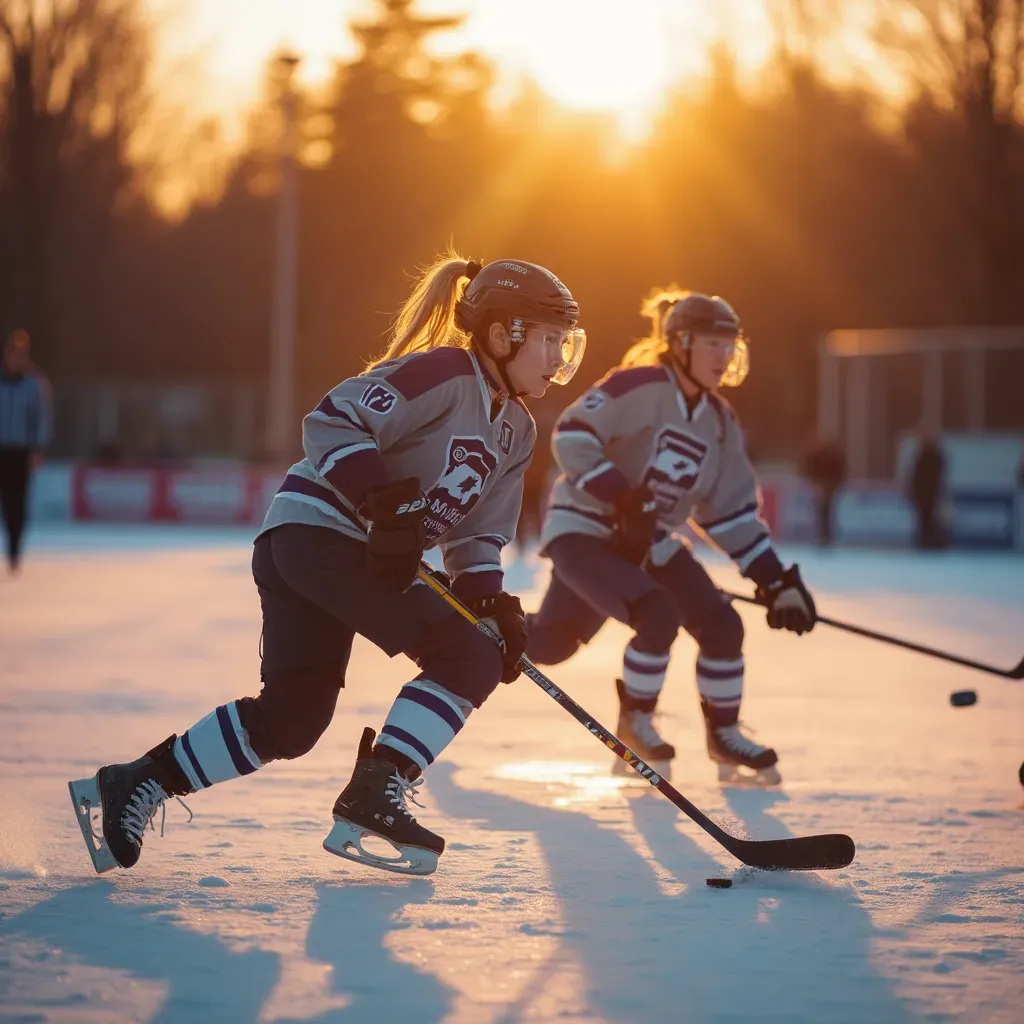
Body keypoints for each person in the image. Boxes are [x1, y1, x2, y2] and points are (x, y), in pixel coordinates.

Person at [70, 253, 586, 876]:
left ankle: (138, 781)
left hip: (327, 550)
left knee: (292, 721)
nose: (561, 357)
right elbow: (334, 418)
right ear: (503, 334)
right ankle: (378, 789)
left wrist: (491, 602)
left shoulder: (518, 432)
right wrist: (383, 503)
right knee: (466, 655)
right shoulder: (447, 372)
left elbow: (478, 534)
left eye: (567, 341)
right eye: (551, 340)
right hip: (321, 536)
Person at [526, 289, 816, 785]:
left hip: (649, 543)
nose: (724, 358)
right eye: (713, 345)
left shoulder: (720, 422)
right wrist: (623, 496)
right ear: (679, 344)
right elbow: (572, 435)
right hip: (587, 533)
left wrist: (776, 579)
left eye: (730, 347)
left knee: (723, 626)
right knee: (566, 640)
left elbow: (728, 514)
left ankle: (723, 736)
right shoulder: (638, 386)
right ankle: (634, 721)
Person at [0, 329, 52, 572]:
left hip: (21, 451)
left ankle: (15, 546)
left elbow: (40, 417)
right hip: (1, 448)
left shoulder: (34, 384)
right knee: (4, 502)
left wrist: (37, 448)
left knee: (17, 502)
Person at [801, 433, 846, 546]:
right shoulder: (819, 456)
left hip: (828, 486)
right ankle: (823, 536)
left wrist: (832, 484)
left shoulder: (830, 457)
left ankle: (826, 536)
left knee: (826, 511)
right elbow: (809, 468)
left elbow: (839, 472)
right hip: (823, 485)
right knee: (822, 511)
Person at [908, 427, 945, 550]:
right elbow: (915, 475)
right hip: (922, 494)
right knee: (924, 519)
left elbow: (935, 475)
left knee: (929, 518)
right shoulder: (922, 454)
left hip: (930, 494)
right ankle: (925, 541)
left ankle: (931, 542)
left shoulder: (933, 455)